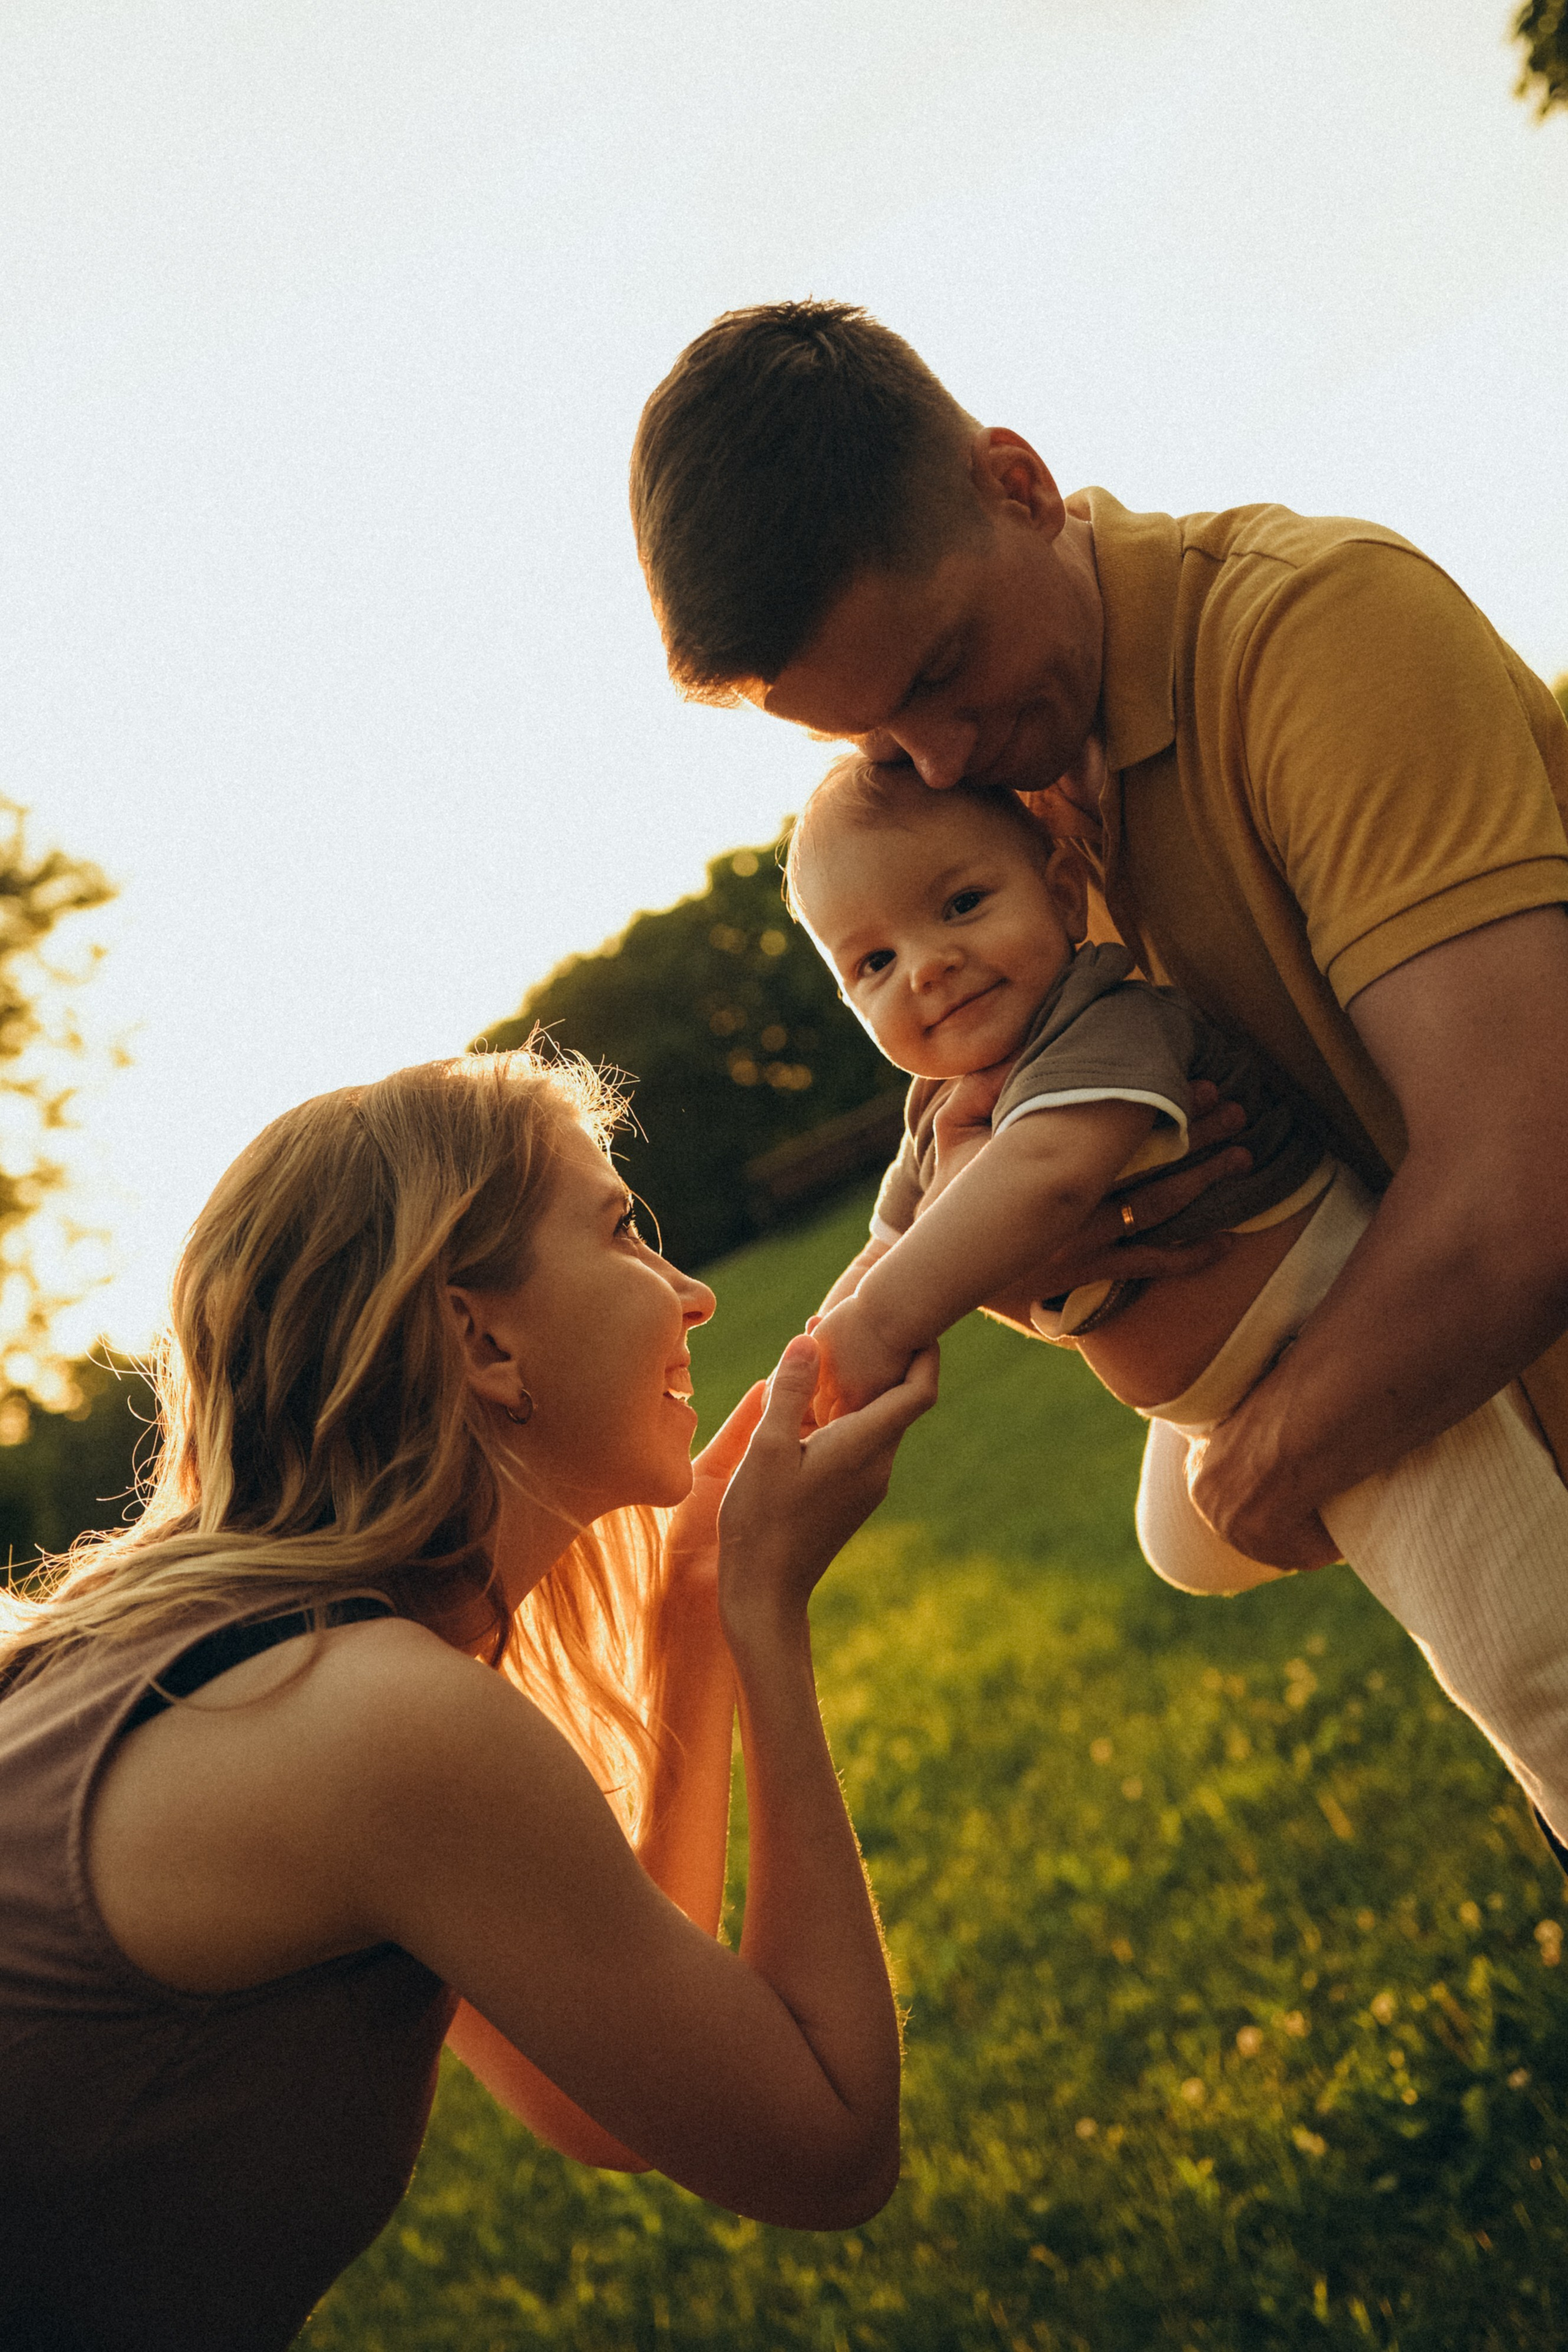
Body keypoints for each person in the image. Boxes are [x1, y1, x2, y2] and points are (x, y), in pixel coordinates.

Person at [0, 1046, 935, 2352]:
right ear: (482, 1338)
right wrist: (767, 1614)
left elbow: (609, 2092)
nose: (694, 1294)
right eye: (623, 1231)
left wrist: (700, 1603)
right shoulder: (367, 1720)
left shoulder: (202, 1659)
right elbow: (825, 2146)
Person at [630, 298, 1568, 1591]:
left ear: (1017, 487)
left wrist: (1254, 1472)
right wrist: (1029, 1254)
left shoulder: (1316, 633)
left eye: (939, 668)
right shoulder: (1003, 815)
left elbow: (1523, 1187)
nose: (937, 760)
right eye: (869, 738)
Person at [786, 755, 1568, 1839]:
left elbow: (1049, 1175)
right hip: (1221, 1396)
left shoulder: (1101, 1019)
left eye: (961, 905)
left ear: (1064, 895)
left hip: (1344, 1342)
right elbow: (887, 1250)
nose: (929, 966)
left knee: (1520, 1659)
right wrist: (810, 1366)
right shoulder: (937, 1112)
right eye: (874, 961)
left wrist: (878, 1328)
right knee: (1181, 1539)